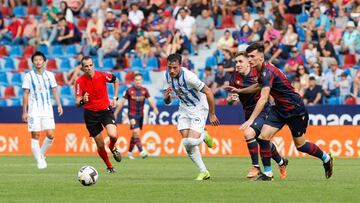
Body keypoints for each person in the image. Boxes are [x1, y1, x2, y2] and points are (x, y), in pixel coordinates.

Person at [242, 43, 333, 181]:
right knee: (262, 137)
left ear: (261, 57)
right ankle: (268, 174)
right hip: (279, 109)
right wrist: (240, 91)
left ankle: (326, 158)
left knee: (301, 146)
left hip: (295, 110)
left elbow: (264, 98)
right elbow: (259, 86)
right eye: (248, 56)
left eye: (252, 56)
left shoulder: (268, 72)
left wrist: (251, 119)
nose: (249, 60)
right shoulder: (261, 71)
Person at [224, 52, 288, 180]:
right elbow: (230, 101)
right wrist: (232, 98)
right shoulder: (234, 77)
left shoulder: (257, 73)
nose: (238, 65)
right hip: (249, 113)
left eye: (241, 61)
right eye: (236, 62)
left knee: (248, 133)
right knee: (262, 141)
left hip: (264, 110)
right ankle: (281, 162)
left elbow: (267, 90)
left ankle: (256, 167)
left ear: (248, 62)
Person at [163, 53, 219, 180]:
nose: (171, 70)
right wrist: (167, 97)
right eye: (169, 67)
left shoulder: (189, 77)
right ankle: (204, 171)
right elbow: (167, 101)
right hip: (184, 108)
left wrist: (212, 113)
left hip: (199, 108)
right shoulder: (166, 76)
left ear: (181, 66)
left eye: (175, 68)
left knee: (190, 141)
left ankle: (204, 135)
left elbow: (209, 92)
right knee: (187, 144)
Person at [75, 56, 122, 173]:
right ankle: (109, 167)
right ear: (82, 68)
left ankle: (112, 147)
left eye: (90, 65)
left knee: (113, 135)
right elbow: (77, 103)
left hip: (105, 111)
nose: (89, 68)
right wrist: (83, 100)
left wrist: (115, 97)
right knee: (100, 144)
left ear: (93, 65)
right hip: (91, 115)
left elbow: (116, 81)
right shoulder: (79, 81)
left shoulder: (102, 75)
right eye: (86, 66)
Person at [22, 51, 63, 169]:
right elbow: (25, 94)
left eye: (40, 59)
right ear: (33, 62)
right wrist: (24, 111)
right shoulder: (28, 76)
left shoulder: (50, 75)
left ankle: (40, 154)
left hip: (47, 109)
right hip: (34, 110)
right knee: (35, 135)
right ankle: (40, 161)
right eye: (36, 60)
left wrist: (59, 105)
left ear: (44, 61)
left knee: (50, 135)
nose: (38, 62)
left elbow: (54, 90)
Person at [114, 73, 159, 159]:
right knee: (136, 131)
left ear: (142, 81)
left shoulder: (144, 90)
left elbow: (150, 100)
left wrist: (155, 108)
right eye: (136, 80)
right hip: (132, 114)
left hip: (141, 115)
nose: (138, 81)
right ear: (134, 81)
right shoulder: (129, 90)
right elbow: (122, 102)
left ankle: (130, 152)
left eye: (139, 80)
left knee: (135, 134)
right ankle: (141, 151)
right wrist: (116, 113)